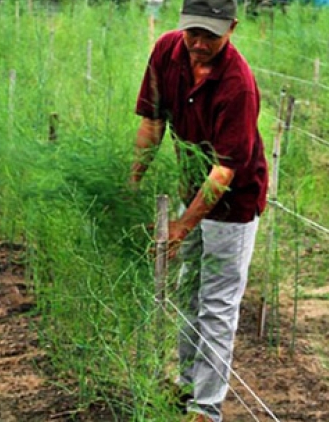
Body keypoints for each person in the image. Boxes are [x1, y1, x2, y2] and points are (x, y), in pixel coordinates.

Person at [129, 1, 268, 421]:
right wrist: (129, 186)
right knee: (189, 293)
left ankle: (206, 411)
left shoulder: (237, 85)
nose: (199, 43)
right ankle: (188, 387)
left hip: (233, 202)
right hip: (191, 189)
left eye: (210, 34)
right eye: (193, 31)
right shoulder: (165, 53)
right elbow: (152, 125)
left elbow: (224, 170)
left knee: (217, 304)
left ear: (232, 27)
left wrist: (182, 227)